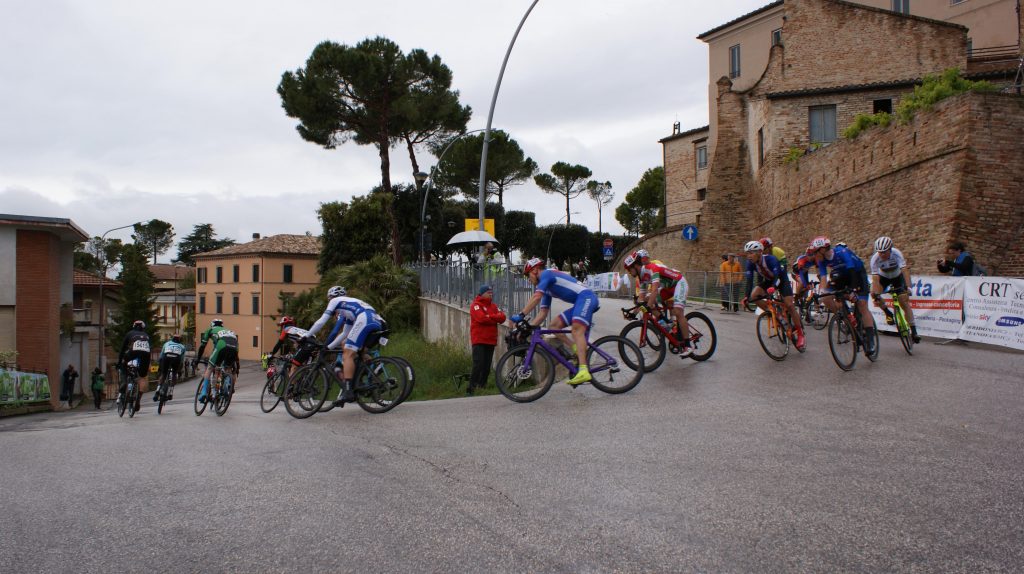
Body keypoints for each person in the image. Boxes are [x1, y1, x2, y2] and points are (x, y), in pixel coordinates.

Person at [511, 258, 599, 386]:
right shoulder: (546, 289)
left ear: (535, 270)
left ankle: (584, 370)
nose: (528, 279)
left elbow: (536, 297)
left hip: (587, 298)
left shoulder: (546, 274)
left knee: (576, 329)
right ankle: (575, 348)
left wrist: (521, 315)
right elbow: (542, 313)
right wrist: (529, 327)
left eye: (528, 275)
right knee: (554, 326)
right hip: (580, 302)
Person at [306, 286, 386, 407]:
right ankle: (366, 376)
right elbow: (345, 333)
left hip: (365, 318)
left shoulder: (335, 301)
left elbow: (321, 321)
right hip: (376, 321)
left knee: (348, 352)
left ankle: (348, 390)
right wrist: (328, 348)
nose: (329, 302)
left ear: (331, 297)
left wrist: (306, 335)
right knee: (357, 351)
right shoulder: (348, 308)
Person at [809, 236, 876, 354]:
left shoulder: (841, 252)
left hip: (857, 274)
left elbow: (852, 270)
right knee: (826, 298)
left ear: (823, 250)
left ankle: (870, 340)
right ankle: (844, 316)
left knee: (862, 304)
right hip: (841, 275)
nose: (814, 255)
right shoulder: (821, 260)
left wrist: (853, 290)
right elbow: (823, 278)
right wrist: (820, 295)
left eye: (815, 252)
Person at [624, 251, 693, 357]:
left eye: (629, 269)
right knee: (647, 301)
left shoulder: (651, 268)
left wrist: (647, 305)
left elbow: (655, 290)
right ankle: (667, 322)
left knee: (678, 312)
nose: (629, 272)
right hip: (667, 288)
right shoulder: (642, 277)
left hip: (679, 283)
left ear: (635, 266)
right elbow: (641, 298)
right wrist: (633, 313)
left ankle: (688, 346)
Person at [741, 241, 807, 351]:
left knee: (789, 305)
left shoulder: (770, 259)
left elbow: (777, 277)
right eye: (747, 253)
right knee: (754, 295)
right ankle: (775, 315)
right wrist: (746, 297)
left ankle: (800, 334)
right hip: (768, 281)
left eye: (751, 253)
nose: (749, 256)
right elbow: (749, 281)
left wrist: (773, 288)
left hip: (781, 280)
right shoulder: (750, 263)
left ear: (759, 252)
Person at [870, 236, 921, 343]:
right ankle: (887, 313)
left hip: (898, 277)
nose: (882, 254)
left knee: (904, 301)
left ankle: (914, 331)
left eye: (884, 252)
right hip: (883, 277)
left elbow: (905, 270)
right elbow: (875, 279)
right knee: (873, 293)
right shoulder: (875, 259)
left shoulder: (896, 253)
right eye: (879, 252)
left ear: (890, 249)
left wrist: (908, 287)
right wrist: (876, 293)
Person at [468, 284, 506, 395]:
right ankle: (471, 388)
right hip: (479, 339)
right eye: (488, 292)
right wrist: (494, 317)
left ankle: (482, 386)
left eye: (491, 292)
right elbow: (481, 318)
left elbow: (503, 317)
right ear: (482, 293)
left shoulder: (493, 306)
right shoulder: (475, 305)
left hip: (490, 339)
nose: (491, 294)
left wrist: (489, 316)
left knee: (486, 366)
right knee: (478, 364)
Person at [195, 318, 239, 404]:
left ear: (212, 325)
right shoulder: (229, 331)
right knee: (228, 369)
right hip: (234, 348)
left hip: (222, 345)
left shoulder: (211, 329)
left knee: (210, 367)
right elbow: (236, 353)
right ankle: (228, 386)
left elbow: (202, 346)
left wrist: (198, 359)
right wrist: (237, 365)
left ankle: (204, 392)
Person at [116, 320, 151, 413]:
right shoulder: (146, 335)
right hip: (146, 354)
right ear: (143, 328)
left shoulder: (130, 333)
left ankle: (123, 385)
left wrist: (119, 362)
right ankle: (138, 401)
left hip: (133, 352)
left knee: (123, 366)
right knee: (142, 377)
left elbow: (123, 349)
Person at [154, 334, 186, 402]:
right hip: (176, 359)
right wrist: (179, 370)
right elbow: (182, 359)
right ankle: (170, 393)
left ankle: (157, 391)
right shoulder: (182, 346)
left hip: (166, 357)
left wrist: (160, 365)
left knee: (163, 374)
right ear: (179, 340)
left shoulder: (167, 343)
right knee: (174, 374)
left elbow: (161, 355)